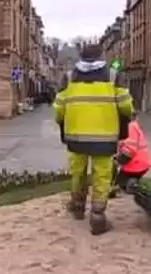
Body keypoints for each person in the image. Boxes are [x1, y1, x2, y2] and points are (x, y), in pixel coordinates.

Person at [53, 43, 134, 235]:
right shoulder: (114, 76)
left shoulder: (69, 77)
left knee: (77, 172)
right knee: (102, 176)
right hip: (105, 137)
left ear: (81, 57)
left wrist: (63, 122)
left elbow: (59, 107)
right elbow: (125, 106)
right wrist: (128, 115)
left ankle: (78, 206)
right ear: (101, 56)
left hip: (76, 135)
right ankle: (97, 216)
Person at [110, 112, 151, 197]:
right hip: (141, 162)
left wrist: (118, 160)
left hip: (136, 163)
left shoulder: (130, 127)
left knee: (119, 183)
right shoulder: (132, 126)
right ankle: (133, 182)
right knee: (120, 180)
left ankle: (133, 184)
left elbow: (130, 150)